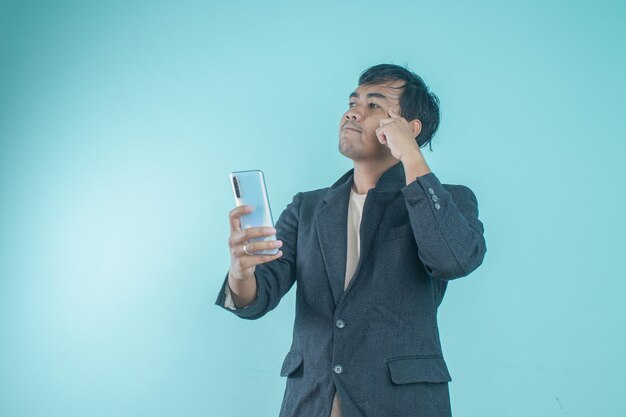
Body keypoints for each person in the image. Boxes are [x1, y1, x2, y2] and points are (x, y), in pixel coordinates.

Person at [215, 64, 487, 417]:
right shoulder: (307, 208)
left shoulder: (445, 199)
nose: (353, 112)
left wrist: (412, 156)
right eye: (352, 101)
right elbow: (256, 299)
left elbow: (454, 260)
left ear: (410, 128)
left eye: (374, 105)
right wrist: (240, 271)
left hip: (402, 404)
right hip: (312, 400)